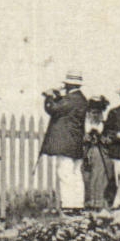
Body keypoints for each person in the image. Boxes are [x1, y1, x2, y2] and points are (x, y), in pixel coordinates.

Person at [39, 71, 87, 211]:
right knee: (76, 173)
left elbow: (52, 109)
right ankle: (78, 204)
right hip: (76, 142)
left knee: (65, 173)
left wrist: (49, 97)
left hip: (65, 143)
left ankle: (68, 205)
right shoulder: (81, 99)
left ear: (70, 85)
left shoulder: (70, 99)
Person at [81, 95, 116, 209]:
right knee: (87, 177)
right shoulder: (83, 126)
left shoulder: (105, 125)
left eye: (98, 112)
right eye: (92, 112)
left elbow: (110, 139)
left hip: (102, 156)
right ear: (88, 113)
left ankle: (101, 203)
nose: (95, 115)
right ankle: (88, 203)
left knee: (101, 177)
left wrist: (103, 139)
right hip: (87, 155)